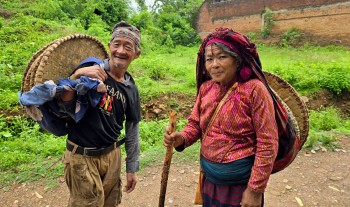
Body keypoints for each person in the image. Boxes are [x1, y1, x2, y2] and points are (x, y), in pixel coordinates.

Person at [163, 27, 279, 207]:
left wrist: (255, 190)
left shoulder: (254, 90)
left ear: (237, 60)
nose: (214, 64)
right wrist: (182, 138)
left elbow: (268, 143)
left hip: (240, 187)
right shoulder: (206, 88)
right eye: (209, 59)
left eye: (222, 57)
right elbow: (195, 124)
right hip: (210, 181)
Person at [59, 21, 142, 207]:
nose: (120, 50)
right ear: (109, 46)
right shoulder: (90, 72)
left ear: (136, 54)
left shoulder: (131, 89)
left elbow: (132, 130)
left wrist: (131, 168)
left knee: (110, 203)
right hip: (82, 155)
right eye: (116, 44)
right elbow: (64, 105)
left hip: (112, 156)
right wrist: (76, 76)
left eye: (127, 46)